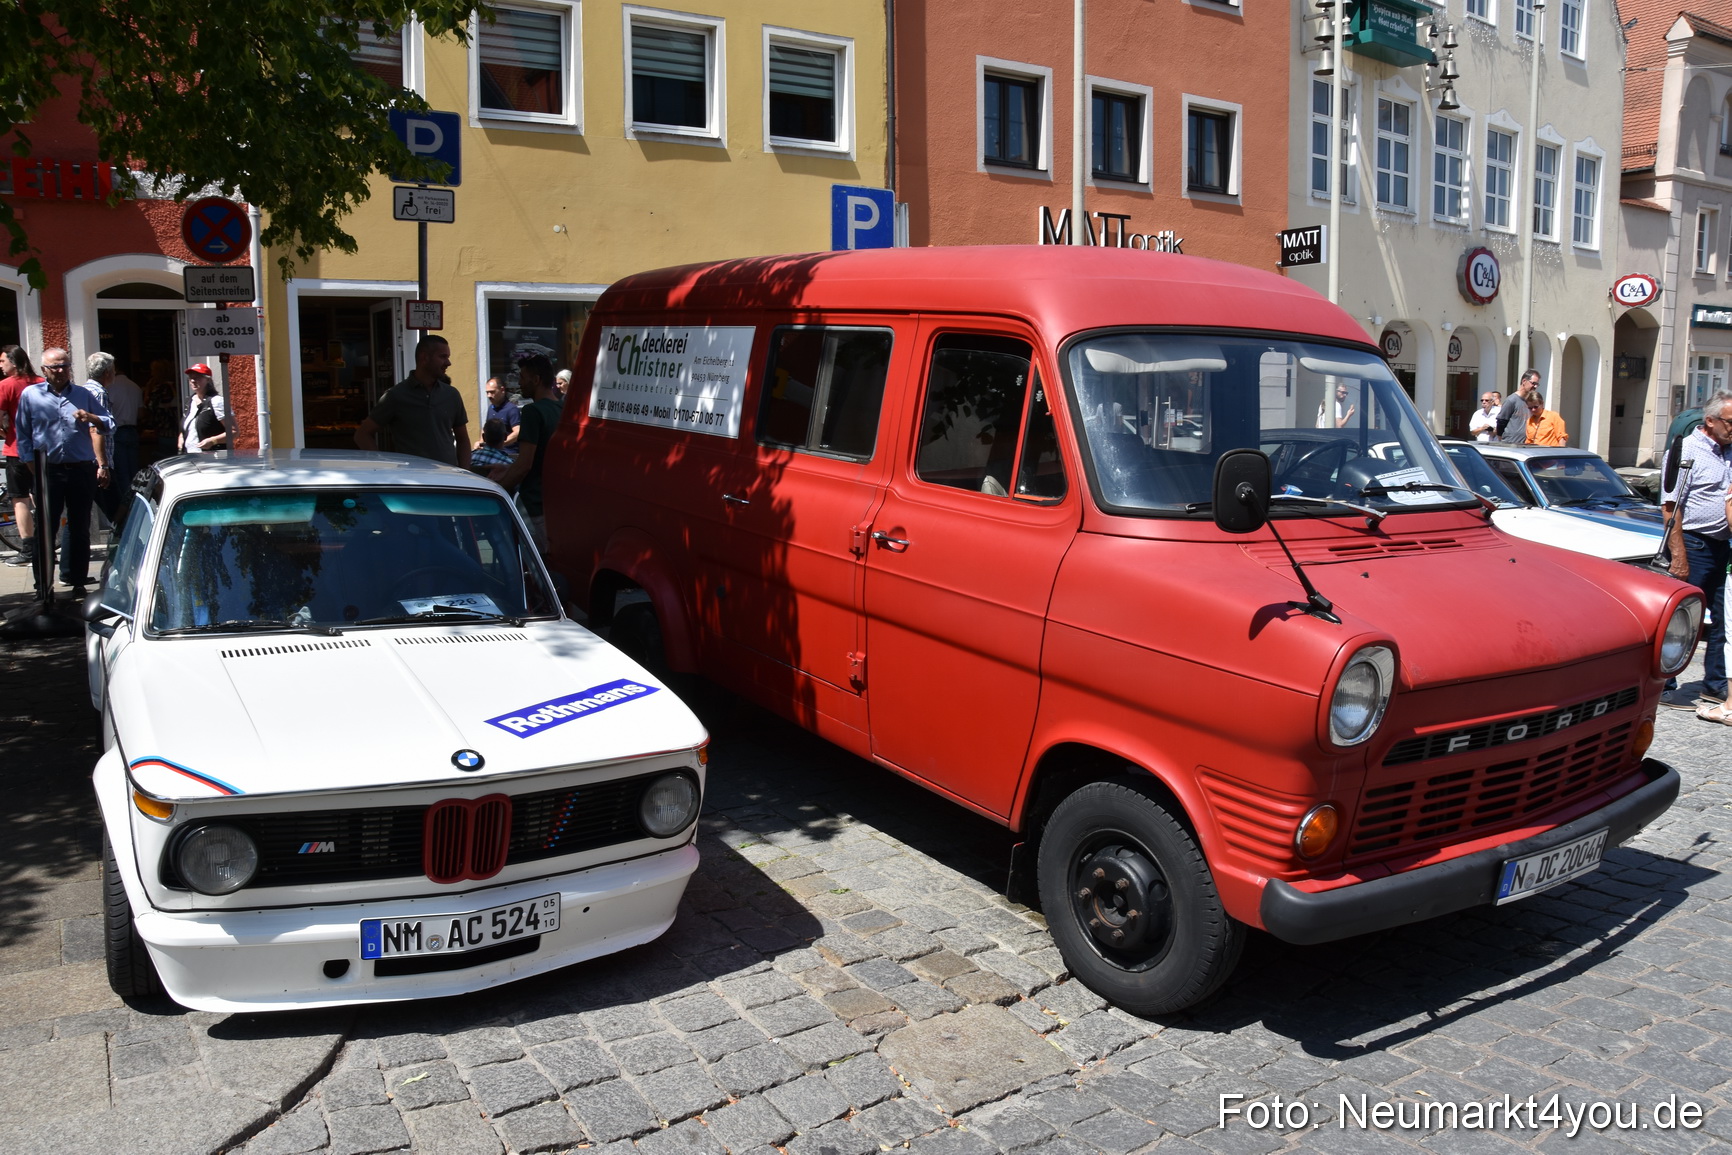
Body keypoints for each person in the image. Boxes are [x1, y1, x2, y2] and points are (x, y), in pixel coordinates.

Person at [14, 347, 113, 592]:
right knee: (45, 529)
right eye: (55, 367)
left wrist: (92, 417)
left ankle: (77, 581)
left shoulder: (83, 394)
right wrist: (31, 465)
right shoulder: (31, 395)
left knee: (80, 528)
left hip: (80, 470)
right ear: (44, 370)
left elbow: (109, 424)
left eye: (65, 366)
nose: (60, 371)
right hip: (48, 471)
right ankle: (43, 586)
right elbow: (23, 433)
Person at [1660, 390, 1732, 713]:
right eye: (1730, 422)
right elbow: (1670, 507)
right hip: (1693, 543)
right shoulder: (1686, 450)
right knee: (1682, 619)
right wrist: (1679, 555)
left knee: (1723, 621)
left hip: (1722, 545)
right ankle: (1665, 686)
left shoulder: (1729, 451)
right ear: (1711, 420)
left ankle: (1716, 685)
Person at [354, 335, 471, 468]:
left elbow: (463, 439)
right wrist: (382, 465)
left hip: (447, 476)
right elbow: (362, 434)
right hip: (413, 477)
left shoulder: (451, 395)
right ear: (424, 357)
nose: (448, 363)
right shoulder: (396, 396)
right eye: (443, 357)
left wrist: (465, 472)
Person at [493, 354, 561, 550]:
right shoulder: (562, 408)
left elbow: (525, 464)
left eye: (523, 377)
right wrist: (507, 468)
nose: (520, 383)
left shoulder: (533, 411)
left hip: (535, 504)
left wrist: (498, 490)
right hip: (557, 503)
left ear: (536, 379)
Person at [0, 345, 43, 567]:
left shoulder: (6, 385)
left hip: (17, 449)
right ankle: (45, 545)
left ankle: (28, 549)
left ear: (14, 362)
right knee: (41, 497)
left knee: (20, 499)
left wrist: (5, 432)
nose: (0, 365)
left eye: (2, 361)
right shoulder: (42, 383)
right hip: (43, 450)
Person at [104, 357, 143, 490]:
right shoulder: (135, 386)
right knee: (134, 470)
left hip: (117, 431)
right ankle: (136, 495)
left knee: (121, 472)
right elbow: (141, 413)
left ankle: (126, 500)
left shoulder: (110, 387)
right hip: (132, 431)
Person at [178, 364, 229, 454]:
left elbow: (234, 432)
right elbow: (188, 428)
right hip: (189, 456)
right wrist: (181, 437)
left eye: (197, 377)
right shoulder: (189, 401)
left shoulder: (217, 401)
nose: (193, 380)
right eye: (191, 378)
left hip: (210, 457)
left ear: (208, 380)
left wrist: (213, 441)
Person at [475, 376, 520, 456]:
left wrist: (500, 444)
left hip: (508, 454)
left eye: (492, 392)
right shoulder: (491, 408)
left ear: (502, 390)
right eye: (487, 392)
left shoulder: (511, 409)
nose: (489, 395)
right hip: (491, 452)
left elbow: (517, 432)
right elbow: (485, 429)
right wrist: (481, 443)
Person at [1497, 370, 1539, 444]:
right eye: (1533, 383)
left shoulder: (1531, 402)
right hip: (1511, 444)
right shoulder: (1511, 400)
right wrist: (1502, 440)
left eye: (1537, 384)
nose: (1535, 386)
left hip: (1526, 444)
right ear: (1524, 381)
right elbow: (1501, 422)